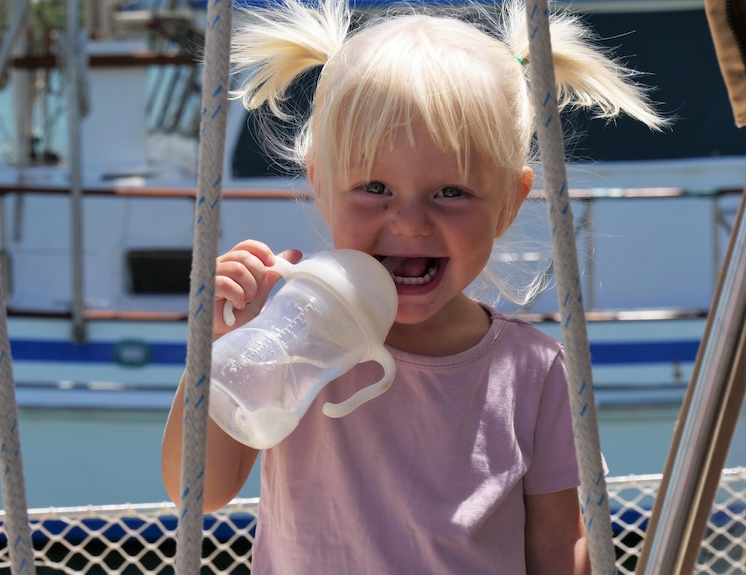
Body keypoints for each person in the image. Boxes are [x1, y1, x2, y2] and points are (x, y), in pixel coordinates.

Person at [162, 0, 666, 572]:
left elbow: (559, 543)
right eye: (374, 186)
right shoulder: (291, 335)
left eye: (450, 192)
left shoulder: (535, 371)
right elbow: (197, 489)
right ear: (321, 186)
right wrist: (224, 344)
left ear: (508, 202)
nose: (410, 222)